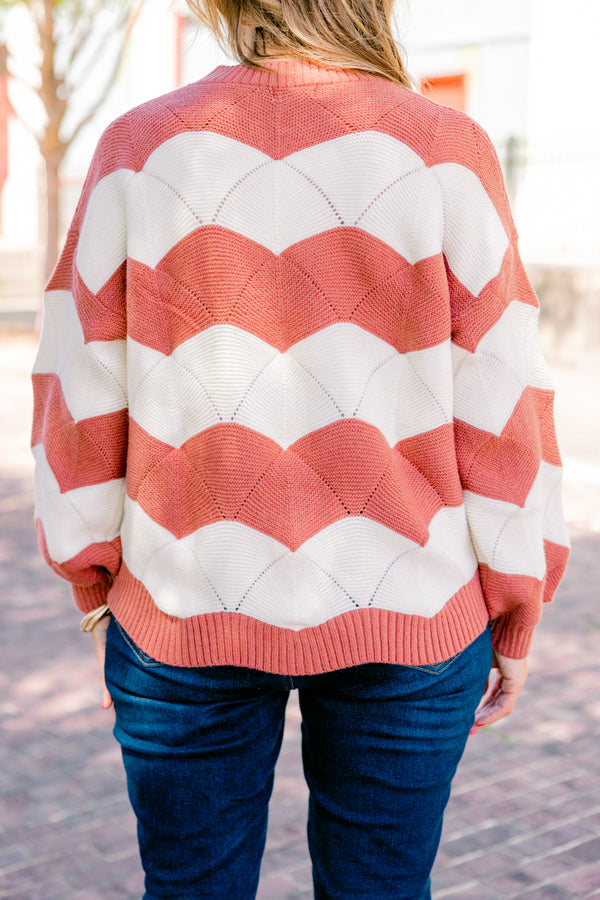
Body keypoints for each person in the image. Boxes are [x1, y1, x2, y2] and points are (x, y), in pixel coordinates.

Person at [31, 0, 570, 897]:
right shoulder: (444, 148)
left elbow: (80, 383)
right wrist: (518, 598)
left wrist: (94, 585)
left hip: (181, 600)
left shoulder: (141, 146)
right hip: (412, 607)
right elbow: (503, 395)